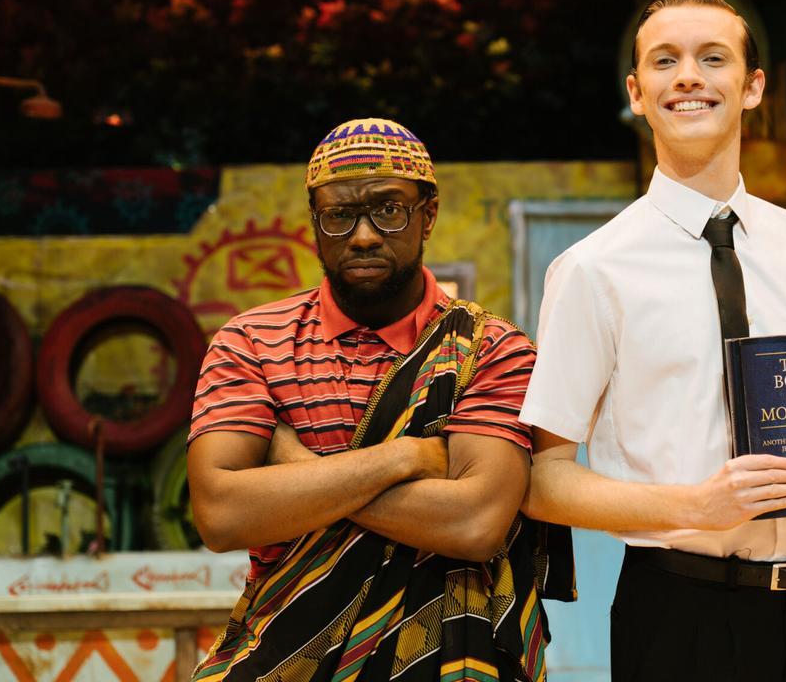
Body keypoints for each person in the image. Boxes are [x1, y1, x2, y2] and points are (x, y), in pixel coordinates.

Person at [519, 0, 786, 681]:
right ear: (638, 92)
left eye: (712, 57)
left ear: (752, 87)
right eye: (665, 61)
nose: (689, 75)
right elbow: (544, 480)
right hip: (678, 612)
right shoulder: (593, 269)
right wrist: (694, 506)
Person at [186, 117, 567, 682]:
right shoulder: (251, 342)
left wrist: (299, 472)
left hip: (449, 665)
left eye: (388, 209)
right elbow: (221, 514)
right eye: (339, 216)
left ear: (428, 214)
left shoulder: (491, 350)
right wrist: (406, 458)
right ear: (315, 222)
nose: (363, 235)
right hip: (283, 659)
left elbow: (474, 522)